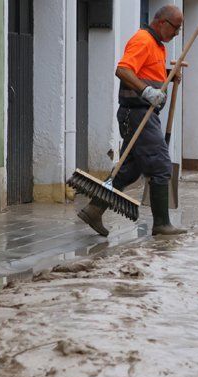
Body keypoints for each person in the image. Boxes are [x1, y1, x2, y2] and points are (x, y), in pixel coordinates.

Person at [77, 5, 187, 237]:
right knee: (160, 165)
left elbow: (148, 74)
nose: (177, 33)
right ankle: (161, 224)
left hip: (143, 114)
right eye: (175, 28)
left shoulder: (157, 45)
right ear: (161, 22)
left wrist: (168, 76)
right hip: (138, 114)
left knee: (129, 169)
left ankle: (94, 210)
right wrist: (147, 92)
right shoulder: (143, 40)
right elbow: (124, 70)